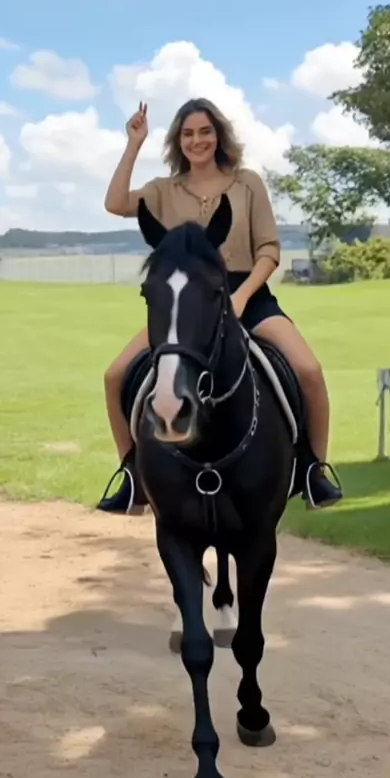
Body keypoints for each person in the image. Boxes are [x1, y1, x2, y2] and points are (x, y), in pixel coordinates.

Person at [97, 98, 342, 513]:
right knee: (114, 375)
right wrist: (134, 143)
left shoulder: (247, 183)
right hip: (189, 305)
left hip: (249, 295)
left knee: (309, 371)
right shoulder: (163, 190)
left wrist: (241, 297)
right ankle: (133, 476)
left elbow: (269, 249)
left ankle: (313, 471)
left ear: (219, 135)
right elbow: (115, 203)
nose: (197, 140)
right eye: (188, 133)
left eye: (205, 131)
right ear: (178, 140)